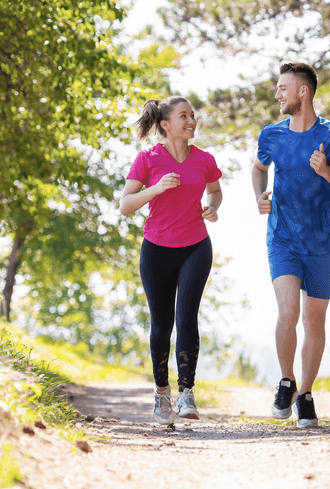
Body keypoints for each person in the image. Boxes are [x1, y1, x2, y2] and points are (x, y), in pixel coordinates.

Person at [252, 62, 330, 428]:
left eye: (283, 88)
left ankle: (307, 394)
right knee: (287, 312)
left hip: (321, 241)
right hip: (282, 237)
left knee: (314, 320)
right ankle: (286, 381)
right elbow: (258, 168)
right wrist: (259, 196)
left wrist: (326, 172)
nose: (277, 94)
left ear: (303, 91)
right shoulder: (271, 134)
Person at [120, 96, 222, 425]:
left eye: (193, 115)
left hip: (195, 246)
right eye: (184, 116)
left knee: (187, 317)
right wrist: (156, 189)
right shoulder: (147, 159)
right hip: (157, 249)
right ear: (165, 124)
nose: (191, 121)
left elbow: (215, 190)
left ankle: (187, 393)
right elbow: (125, 205)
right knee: (162, 324)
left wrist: (212, 206)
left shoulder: (204, 159)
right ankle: (162, 394)